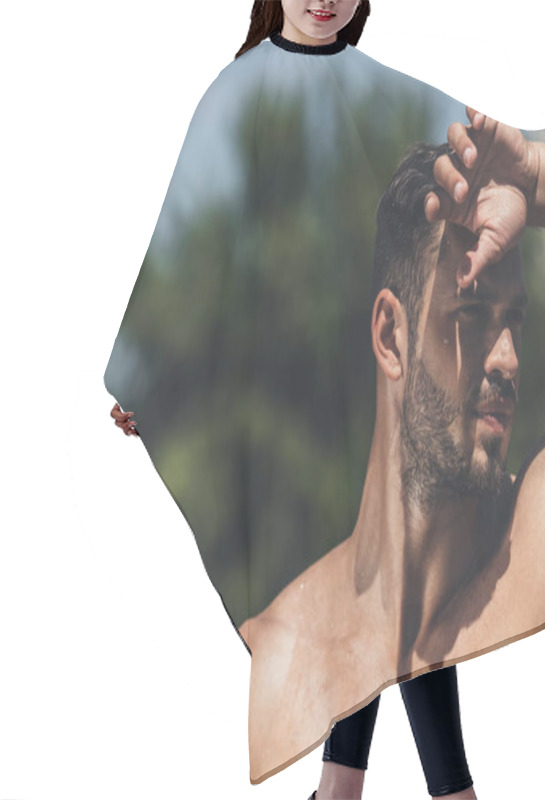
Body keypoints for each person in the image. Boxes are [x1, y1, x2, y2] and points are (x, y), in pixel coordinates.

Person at [237, 67, 545, 780]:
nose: (508, 359)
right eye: (472, 317)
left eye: (514, 321)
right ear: (390, 337)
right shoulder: (271, 668)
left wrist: (543, 183)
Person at [111, 2, 477, 798]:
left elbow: (490, 156)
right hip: (292, 388)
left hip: (378, 378)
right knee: (368, 581)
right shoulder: (235, 93)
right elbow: (192, 233)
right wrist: (147, 369)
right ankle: (412, 790)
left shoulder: (379, 89)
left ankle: (349, 790)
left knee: (401, 577)